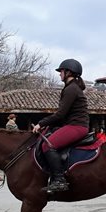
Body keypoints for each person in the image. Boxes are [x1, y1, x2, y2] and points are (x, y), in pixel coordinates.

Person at [32, 59, 89, 193]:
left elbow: (60, 115)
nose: (59, 74)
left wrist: (41, 124)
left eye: (61, 71)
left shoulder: (71, 89)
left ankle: (59, 180)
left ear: (68, 72)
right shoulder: (71, 88)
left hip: (77, 126)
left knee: (48, 145)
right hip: (73, 124)